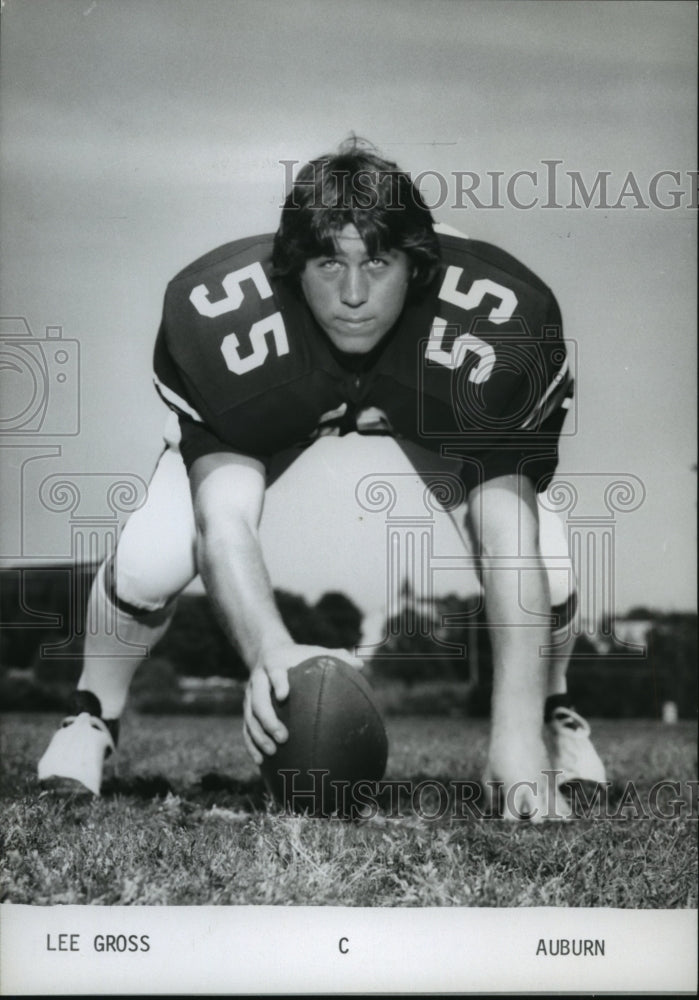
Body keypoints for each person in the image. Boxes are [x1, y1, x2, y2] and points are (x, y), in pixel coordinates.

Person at [38, 139, 605, 820]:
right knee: (152, 555)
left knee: (546, 557)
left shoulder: (494, 326)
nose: (355, 294)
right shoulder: (228, 323)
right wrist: (268, 649)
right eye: (327, 262)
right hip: (298, 386)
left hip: (427, 390)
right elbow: (225, 520)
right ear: (289, 268)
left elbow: (504, 535)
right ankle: (92, 714)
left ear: (417, 266)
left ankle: (551, 712)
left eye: (378, 262)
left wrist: (510, 737)